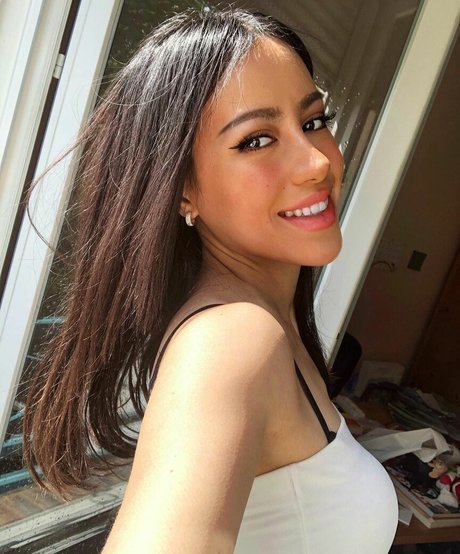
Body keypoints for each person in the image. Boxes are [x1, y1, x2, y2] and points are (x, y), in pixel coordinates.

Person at [23, 6, 399, 553]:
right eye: (256, 140)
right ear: (183, 189)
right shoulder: (234, 341)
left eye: (314, 122)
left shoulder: (265, 326)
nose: (317, 163)